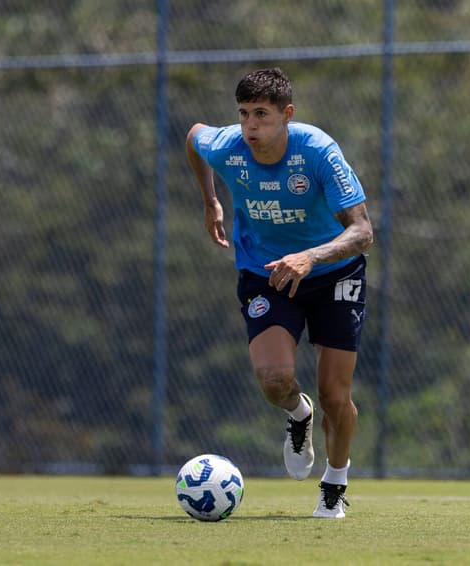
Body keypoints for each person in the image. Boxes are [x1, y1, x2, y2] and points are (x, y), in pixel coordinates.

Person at [185, 67, 373, 518]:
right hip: (265, 272)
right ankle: (297, 415)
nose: (251, 126)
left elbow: (363, 232)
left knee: (335, 395)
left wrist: (310, 258)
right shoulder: (228, 147)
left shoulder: (318, 152)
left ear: (287, 115)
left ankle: (334, 485)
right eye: (244, 114)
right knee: (273, 381)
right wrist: (210, 199)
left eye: (262, 115)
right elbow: (194, 137)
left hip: (334, 273)